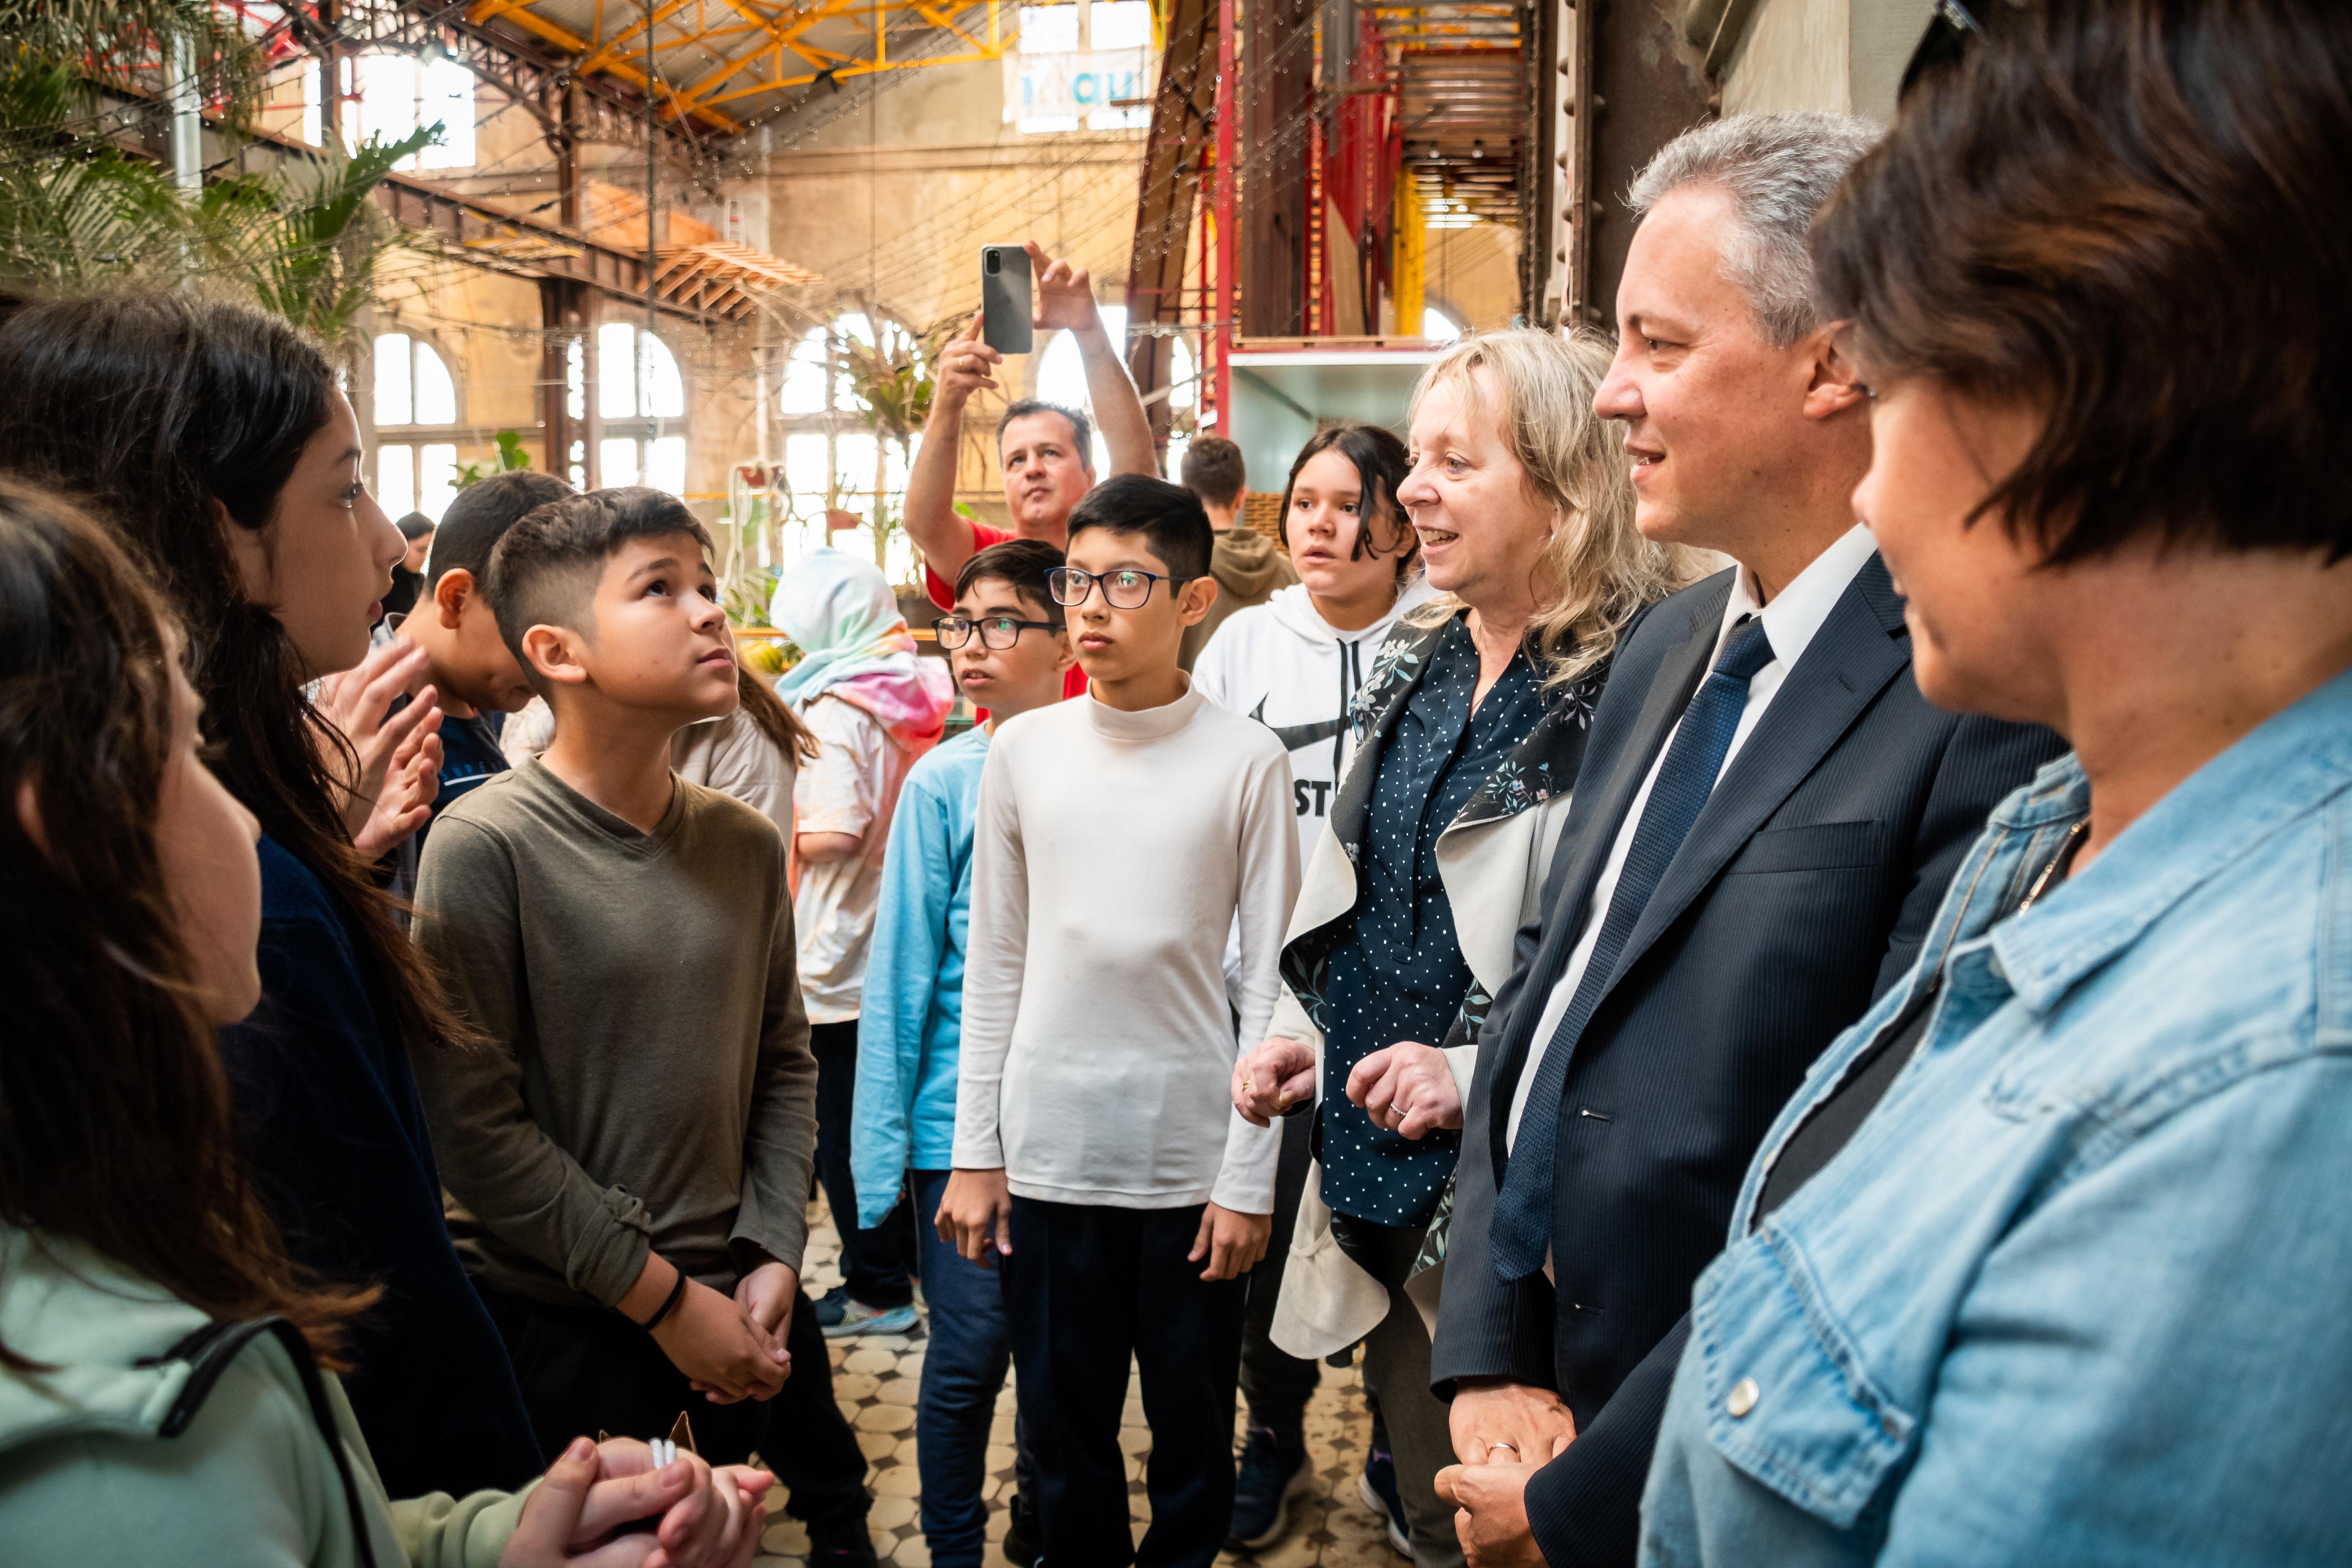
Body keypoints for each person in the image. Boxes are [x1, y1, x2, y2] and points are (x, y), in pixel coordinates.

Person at [1638, 3, 2352, 1560]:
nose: (1873, 485)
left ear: (2065, 407)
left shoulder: (2263, 1094)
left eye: (1889, 394)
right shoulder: (2066, 827)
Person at [1416, 114, 2066, 1568]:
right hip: (1532, 1415)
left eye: (1655, 346)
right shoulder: (1667, 647)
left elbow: (1880, 1154)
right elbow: (1544, 1003)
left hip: (1717, 1463)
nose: (1611, 399)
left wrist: (1581, 1495)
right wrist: (1483, 1347)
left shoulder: (1972, 686)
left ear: (1828, 363)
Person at [0, 478, 772, 1567]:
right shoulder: (128, 1439)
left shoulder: (132, 1230)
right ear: (64, 833)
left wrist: (488, 1544)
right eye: (189, 753)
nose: (244, 815)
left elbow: (323, 1522)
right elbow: (477, 1125)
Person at [0, 291, 539, 1501]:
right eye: (345, 488)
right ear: (226, 536)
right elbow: (381, 1320)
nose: (388, 546)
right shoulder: (252, 909)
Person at [1227, 329, 1687, 1567]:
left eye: (1453, 461)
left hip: (1523, 1212)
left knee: (1531, 1521)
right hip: (1380, 1178)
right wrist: (1304, 1037)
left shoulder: (1646, 676)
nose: (1410, 490)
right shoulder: (1419, 651)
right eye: (1413, 457)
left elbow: (1650, 966)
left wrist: (1468, 1069)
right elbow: (1359, 886)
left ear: (1564, 485)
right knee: (1439, 1507)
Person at [406, 487, 877, 1564]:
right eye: (659, 590)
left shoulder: (741, 842)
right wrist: (660, 1298)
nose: (709, 611)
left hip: (729, 1303)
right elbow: (475, 1131)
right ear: (557, 653)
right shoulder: (485, 847)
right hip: (563, 1320)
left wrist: (769, 1247)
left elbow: (781, 1062)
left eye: (706, 583)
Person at [939, 475, 1301, 1568]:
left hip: (1190, 1170)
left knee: (1193, 1439)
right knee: (1063, 1437)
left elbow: (1275, 984)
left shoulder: (1246, 759)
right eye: (1076, 579)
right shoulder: (1023, 752)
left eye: (1125, 581)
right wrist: (975, 1157)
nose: (1090, 605)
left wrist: (1248, 1178)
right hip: (1050, 1162)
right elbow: (995, 963)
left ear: (1192, 602)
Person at [1190, 419, 1432, 1551]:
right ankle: (1274, 1440)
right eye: (1305, 504)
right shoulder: (1244, 645)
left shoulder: (1438, 638)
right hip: (1268, 1002)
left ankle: (1396, 1439)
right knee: (1268, 1229)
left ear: (1399, 522)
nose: (1320, 526)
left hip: (1396, 999)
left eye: (1347, 504)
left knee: (1397, 1234)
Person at [851, 539, 1072, 1568]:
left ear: (1065, 635)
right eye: (960, 626)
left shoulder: (1095, 760)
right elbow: (897, 978)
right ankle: (951, 1551)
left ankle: (1039, 1526)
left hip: (1073, 1130)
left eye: (1000, 624)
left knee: (1058, 1361)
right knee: (969, 1354)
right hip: (959, 1130)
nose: (970, 646)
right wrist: (880, 1158)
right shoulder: (945, 780)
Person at [768, 548, 955, 1338]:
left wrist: (763, 833)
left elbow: (838, 830)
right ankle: (899, 1263)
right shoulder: (900, 690)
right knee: (881, 1115)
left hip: (835, 953)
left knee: (842, 1133)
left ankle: (877, 1286)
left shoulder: (839, 708)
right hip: (886, 933)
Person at [904, 240, 1157, 706]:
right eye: (1016, 460)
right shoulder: (991, 561)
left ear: (1090, 472)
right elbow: (924, 523)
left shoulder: (1113, 558)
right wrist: (948, 402)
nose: (1032, 469)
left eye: (1050, 453)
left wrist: (1089, 331)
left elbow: (1140, 471)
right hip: (1009, 764)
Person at [383, 471, 572, 900]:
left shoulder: (491, 704)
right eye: (536, 634)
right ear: (457, 600)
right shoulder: (357, 723)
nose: (549, 663)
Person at [1177, 434, 1298, 671]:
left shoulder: (1170, 571)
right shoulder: (1290, 572)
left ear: (1185, 495)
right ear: (1242, 497)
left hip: (1193, 708)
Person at [381, 511, 433, 620]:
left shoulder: (422, 581)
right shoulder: (383, 584)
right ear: (400, 545)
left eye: (428, 550)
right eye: (421, 550)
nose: (425, 557)